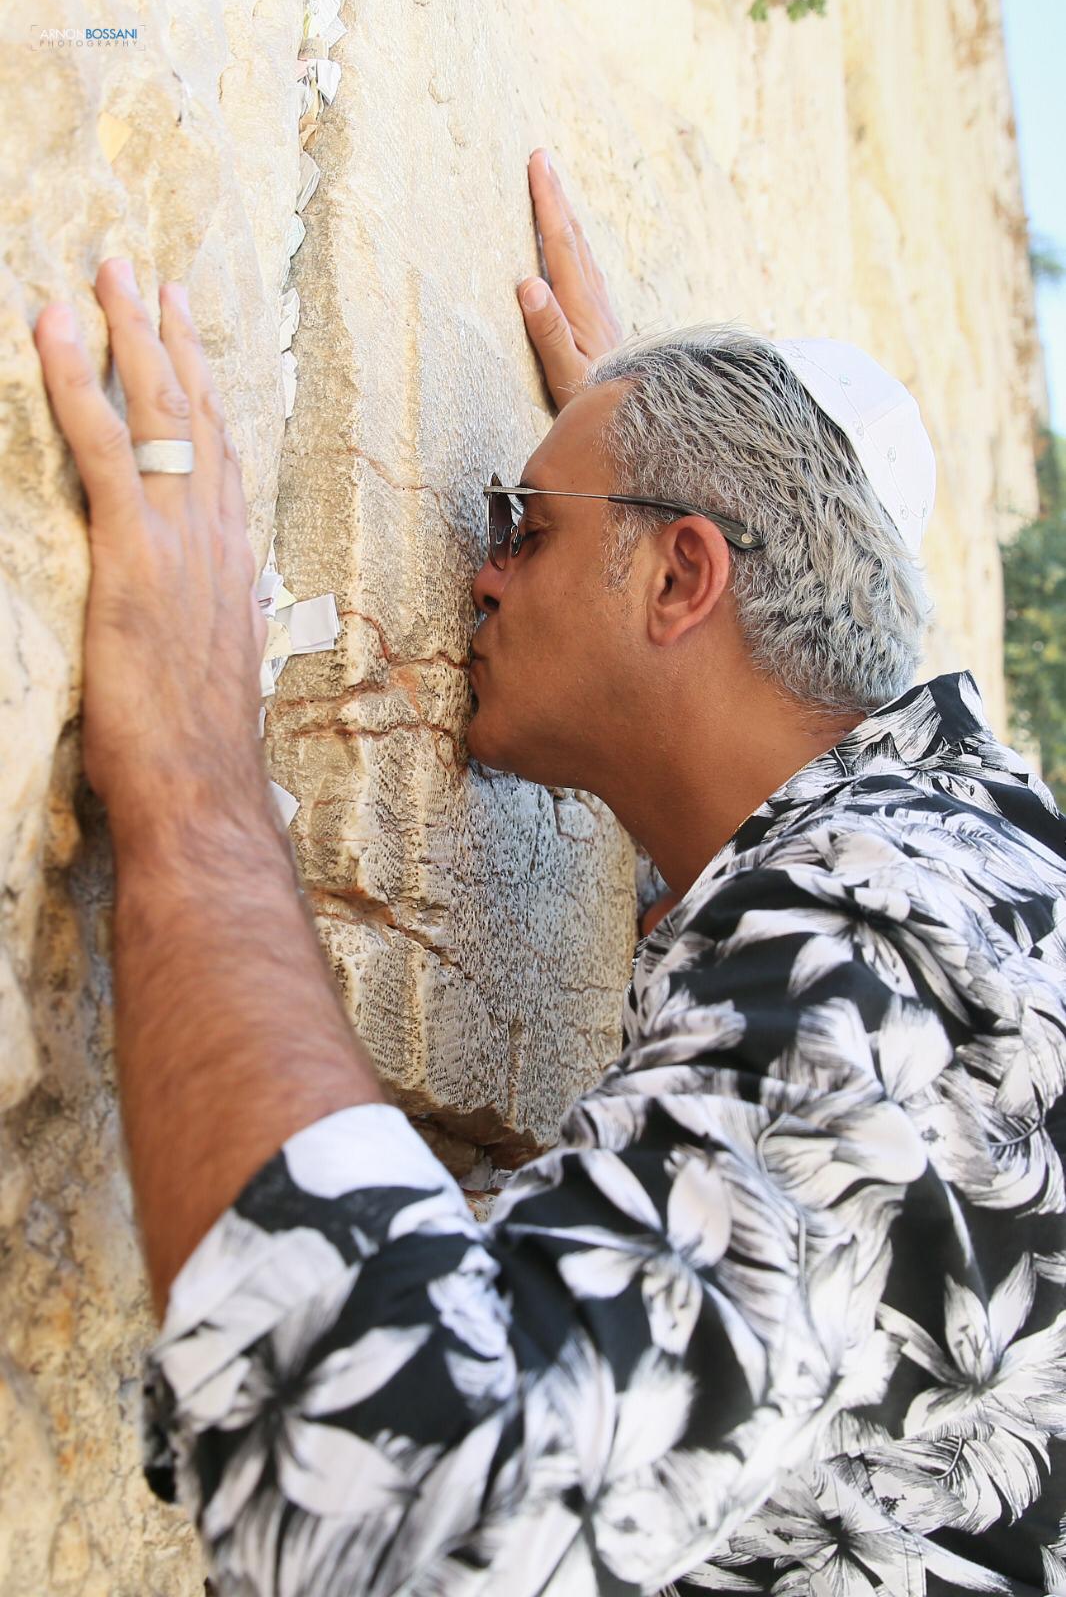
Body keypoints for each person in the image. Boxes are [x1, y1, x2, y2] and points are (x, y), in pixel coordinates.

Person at [31, 148, 1066, 1597]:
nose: (481, 570)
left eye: (525, 524)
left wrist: (195, 764)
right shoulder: (980, 865)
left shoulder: (876, 956)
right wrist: (634, 482)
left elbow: (409, 1503)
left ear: (681, 580)